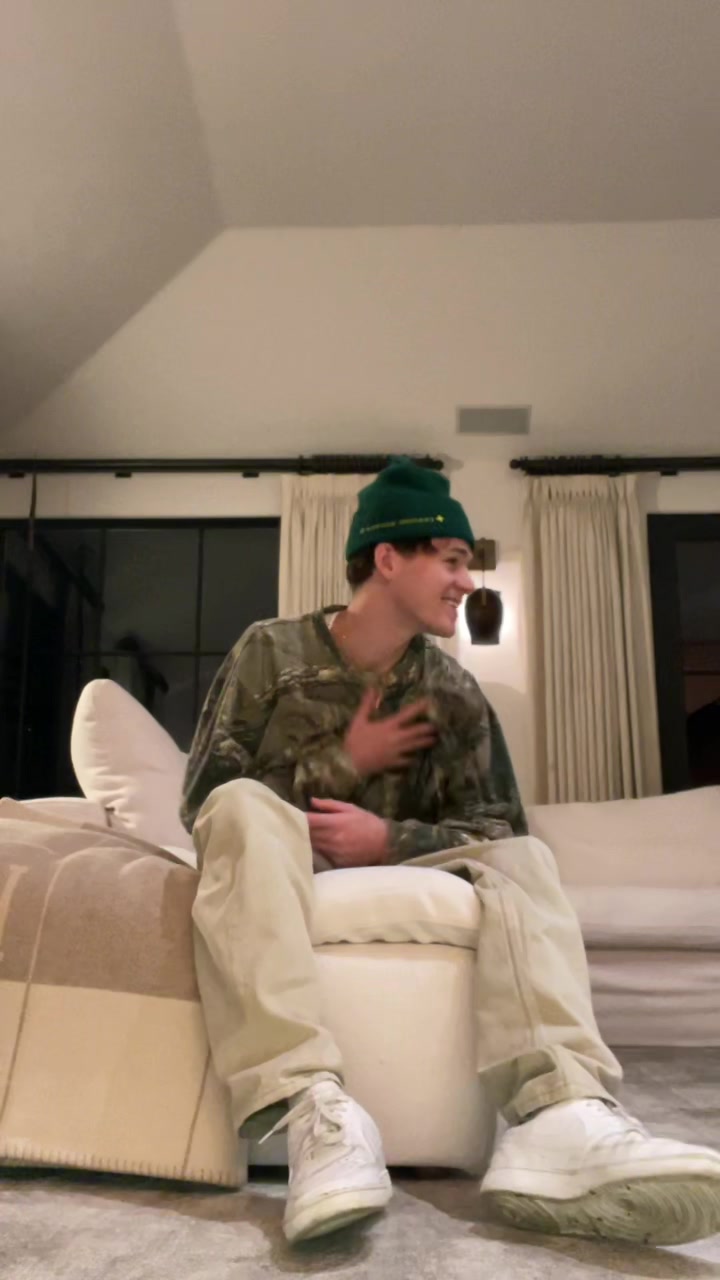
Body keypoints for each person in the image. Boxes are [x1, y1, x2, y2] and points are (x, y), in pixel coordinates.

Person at [181, 458, 720, 1248]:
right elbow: (205, 799)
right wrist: (340, 765)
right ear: (387, 557)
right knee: (239, 806)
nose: (468, 581)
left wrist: (388, 839)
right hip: (278, 854)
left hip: (400, 859)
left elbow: (496, 827)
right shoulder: (271, 651)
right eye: (453, 559)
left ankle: (558, 1113)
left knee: (525, 860)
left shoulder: (454, 692)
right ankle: (308, 1110)